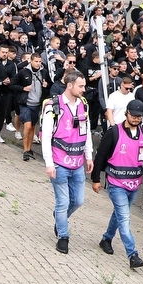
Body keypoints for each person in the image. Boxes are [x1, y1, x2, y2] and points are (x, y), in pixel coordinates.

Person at [92, 99, 143, 269]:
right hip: (116, 183)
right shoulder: (114, 132)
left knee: (119, 214)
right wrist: (96, 179)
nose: (136, 119)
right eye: (133, 115)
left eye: (139, 116)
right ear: (127, 113)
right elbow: (100, 157)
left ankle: (106, 239)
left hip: (135, 184)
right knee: (125, 217)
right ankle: (132, 254)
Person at [41, 68, 94, 254]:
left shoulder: (83, 105)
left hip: (77, 161)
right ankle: (63, 236)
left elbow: (85, 131)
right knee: (62, 201)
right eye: (81, 86)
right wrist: (49, 163)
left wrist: (89, 155)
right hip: (59, 162)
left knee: (78, 201)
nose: (84, 89)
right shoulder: (53, 106)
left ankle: (60, 217)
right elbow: (46, 136)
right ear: (69, 85)